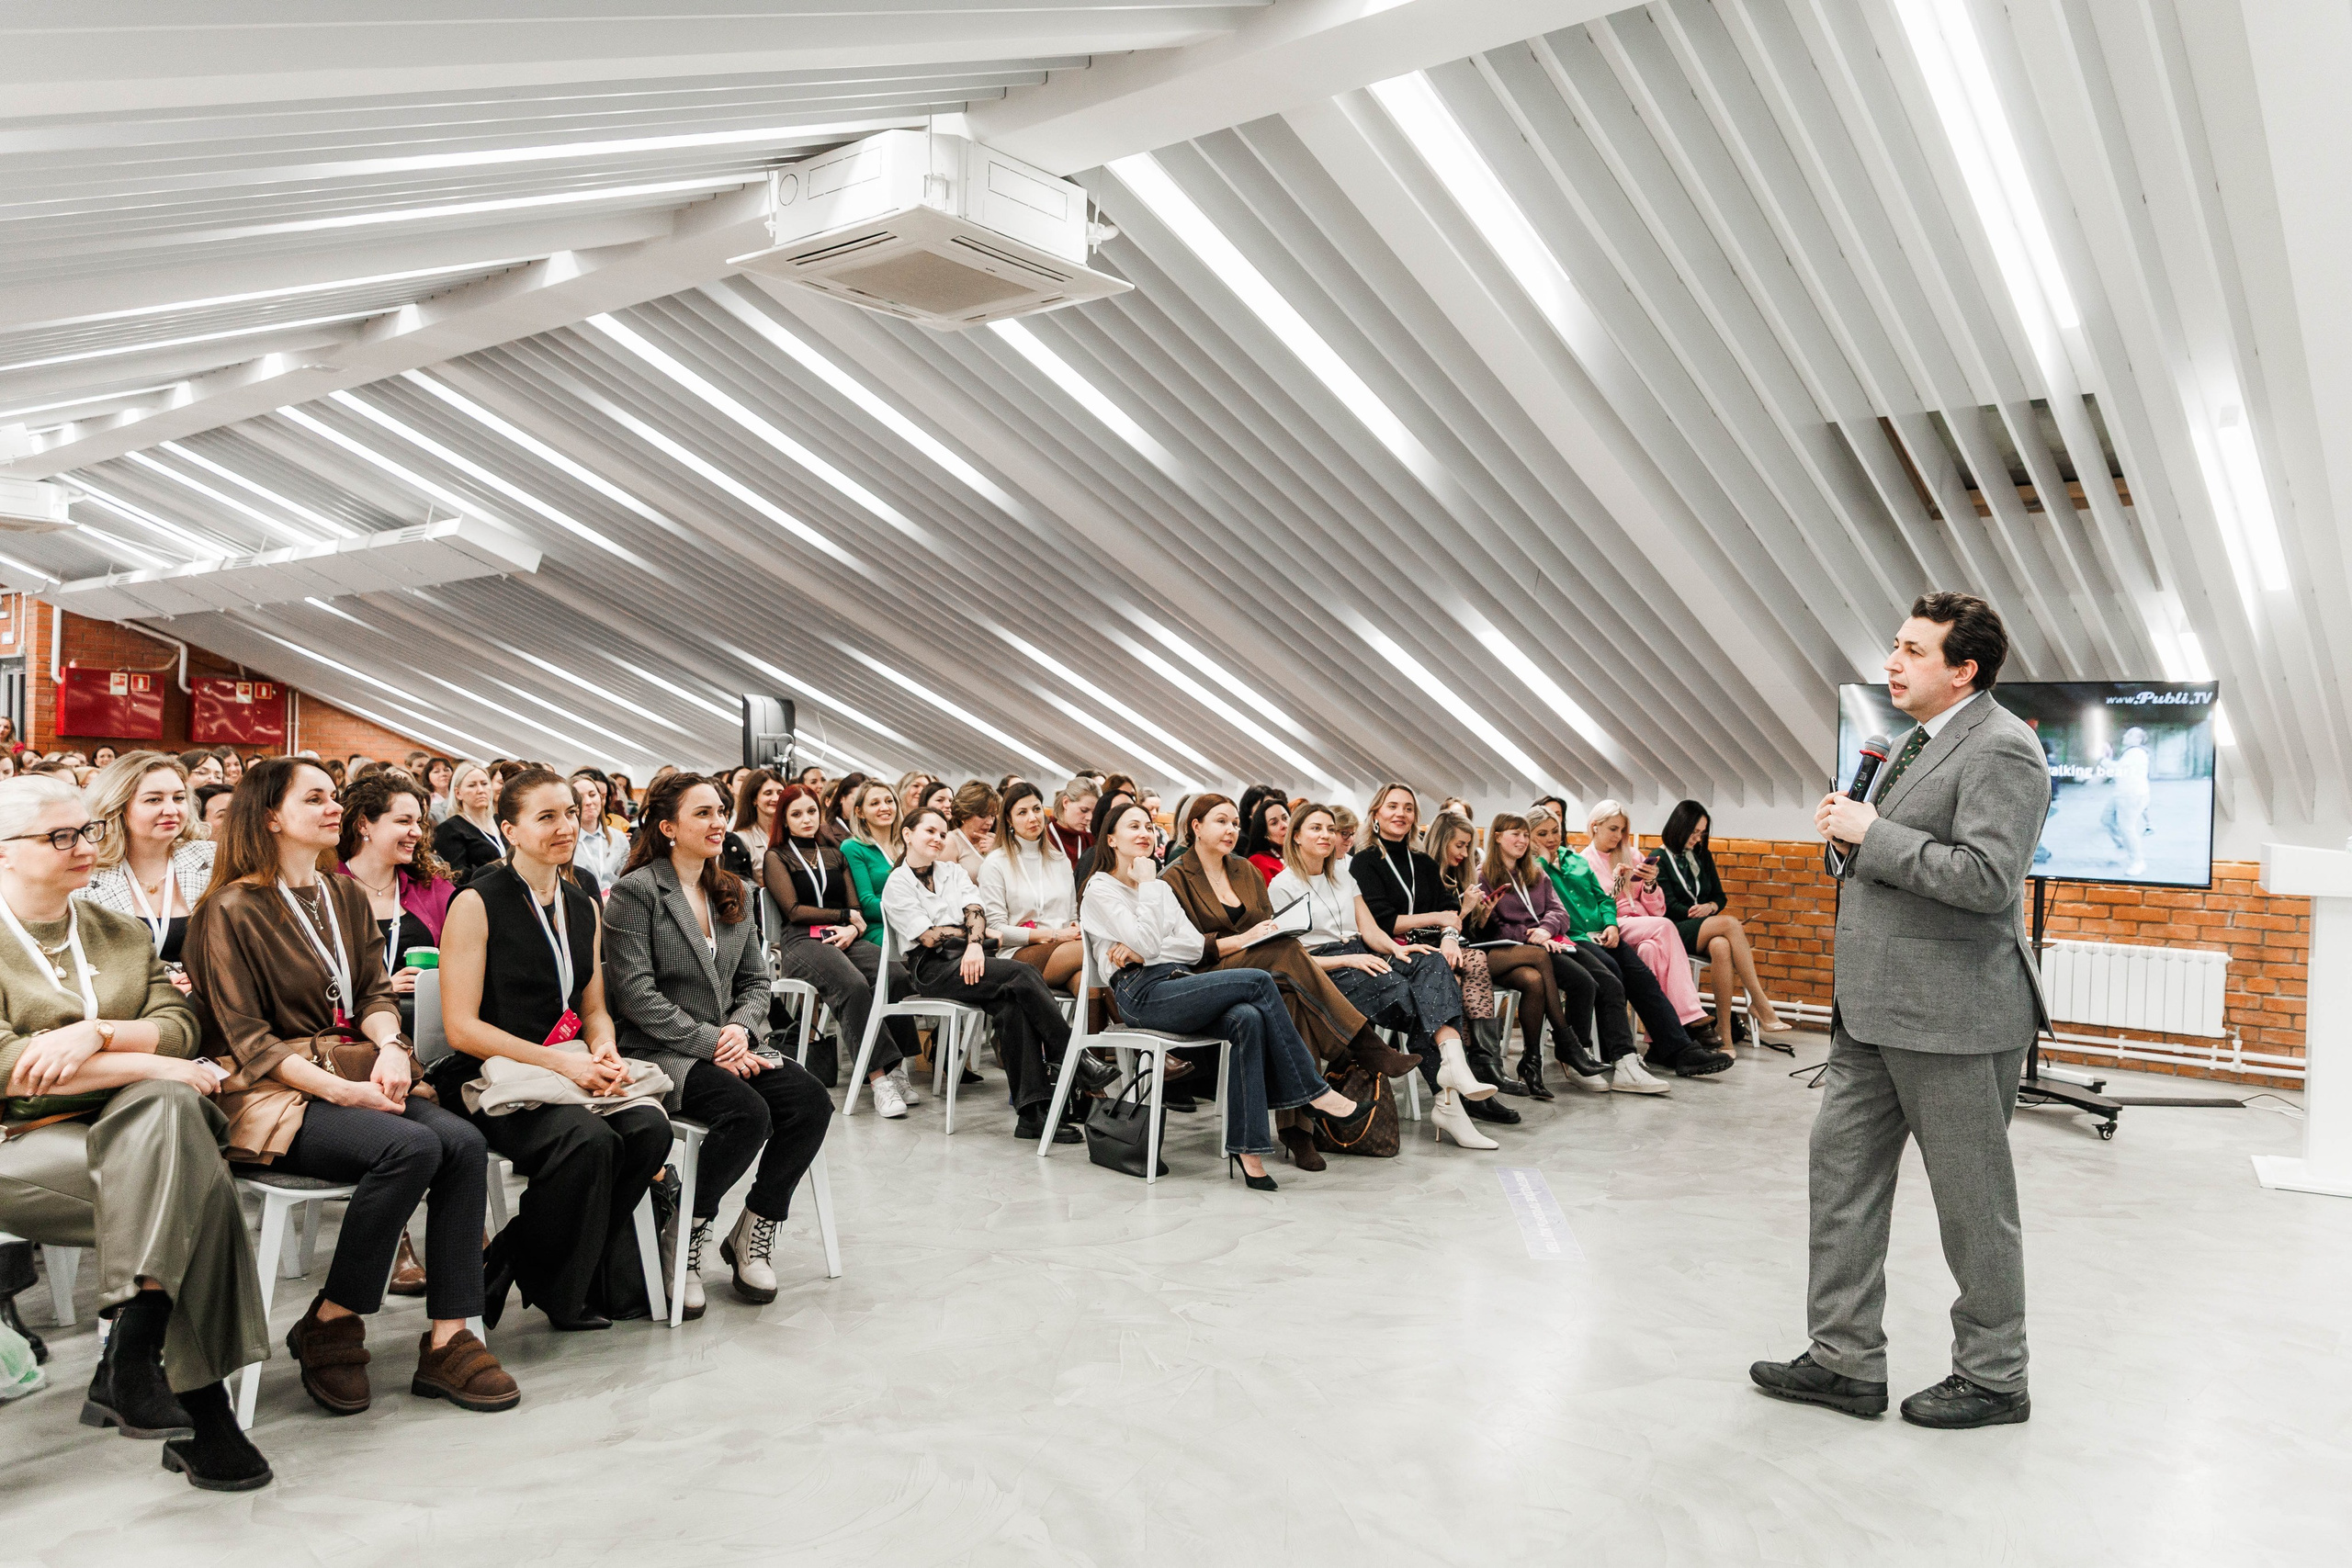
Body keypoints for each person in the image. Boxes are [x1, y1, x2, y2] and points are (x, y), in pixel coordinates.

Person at [1753, 592, 2049, 1430]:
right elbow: (1889, 857)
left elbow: (1987, 880)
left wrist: (1873, 832)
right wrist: (1852, 836)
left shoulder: (2004, 749)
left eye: (1914, 650)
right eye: (1895, 645)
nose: (1892, 661)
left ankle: (1995, 1377)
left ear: (1964, 669)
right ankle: (1845, 1359)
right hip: (1871, 1014)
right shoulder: (1913, 743)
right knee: (1840, 1180)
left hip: (1956, 1016)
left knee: (1971, 1205)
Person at [186, 757, 517, 1417]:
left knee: (462, 1142)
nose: (333, 806)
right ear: (271, 816)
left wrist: (392, 1048)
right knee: (410, 1148)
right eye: (315, 798)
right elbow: (249, 1041)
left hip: (350, 1065)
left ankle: (451, 1332)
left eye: (334, 796)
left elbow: (370, 991)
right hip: (269, 1091)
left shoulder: (340, 895)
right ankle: (333, 1319)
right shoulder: (227, 908)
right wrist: (346, 1092)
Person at [0, 775, 274, 1491]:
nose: (83, 846)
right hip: (18, 1138)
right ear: (3, 853)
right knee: (199, 1186)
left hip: (129, 1122)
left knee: (170, 1115)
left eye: (87, 830)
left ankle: (134, 1350)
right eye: (59, 836)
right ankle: (197, 1402)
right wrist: (157, 1063)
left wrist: (95, 1033)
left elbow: (182, 1025)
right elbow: (10, 1070)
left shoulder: (116, 929)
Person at [436, 769, 671, 1331]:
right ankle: (559, 1288)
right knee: (588, 1143)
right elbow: (461, 1028)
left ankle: (513, 1257)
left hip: (569, 1069)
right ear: (509, 830)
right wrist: (562, 1061)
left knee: (648, 1130)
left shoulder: (581, 901)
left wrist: (605, 1050)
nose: (565, 826)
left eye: (569, 812)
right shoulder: (476, 901)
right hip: (490, 1075)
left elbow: (591, 1008)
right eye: (546, 817)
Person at [605, 773, 833, 1316]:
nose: (718, 823)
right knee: (747, 1114)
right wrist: (715, 1043)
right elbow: (635, 995)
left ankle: (754, 1226)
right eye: (703, 813)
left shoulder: (735, 889)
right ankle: (683, 1235)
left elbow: (757, 981)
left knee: (810, 1102)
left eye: (720, 811)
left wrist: (740, 1031)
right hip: (662, 1049)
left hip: (731, 1041)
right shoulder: (637, 892)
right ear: (667, 828)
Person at [1081, 799, 1374, 1189]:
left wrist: (1148, 946)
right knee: (1258, 980)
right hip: (1139, 995)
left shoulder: (1160, 893)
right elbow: (1150, 943)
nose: (1144, 834)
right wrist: (1149, 897)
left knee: (1249, 1018)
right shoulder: (1102, 889)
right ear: (1112, 839)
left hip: (1177, 980)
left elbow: (1192, 947)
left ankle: (1248, 1149)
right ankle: (1314, 1091)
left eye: (1148, 827)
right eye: (1133, 827)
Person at [1161, 795, 1421, 1169]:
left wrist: (1260, 937)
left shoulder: (1245, 871)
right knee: (1285, 956)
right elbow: (1177, 947)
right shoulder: (1175, 876)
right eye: (1221, 821)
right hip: (1207, 975)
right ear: (1196, 827)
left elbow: (1272, 929)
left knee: (1289, 994)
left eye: (1235, 822)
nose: (1231, 829)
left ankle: (1298, 1130)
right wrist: (1242, 942)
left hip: (1259, 969)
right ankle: (1364, 1043)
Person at [1271, 804, 1496, 1150]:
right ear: (1296, 836)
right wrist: (1353, 957)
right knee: (1415, 999)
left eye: (1330, 829)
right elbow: (1293, 956)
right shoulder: (1281, 884)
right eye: (1315, 829)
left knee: (1432, 962)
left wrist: (1397, 951)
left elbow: (1370, 929)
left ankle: (1452, 1067)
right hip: (1323, 965)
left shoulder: (1344, 873)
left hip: (1365, 951)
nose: (1326, 836)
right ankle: (1450, 1099)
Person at [881, 806, 1103, 1142]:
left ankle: (1032, 1115)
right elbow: (927, 936)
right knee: (1023, 973)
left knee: (1012, 1005)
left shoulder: (952, 872)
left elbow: (975, 911)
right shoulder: (896, 884)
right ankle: (1072, 1056)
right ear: (908, 835)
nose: (938, 839)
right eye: (930, 831)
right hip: (932, 968)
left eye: (943, 833)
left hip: (972, 958)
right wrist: (972, 934)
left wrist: (973, 943)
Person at [334, 770, 458, 1295]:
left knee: (452, 1083)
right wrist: (381, 985)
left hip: (428, 1033)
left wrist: (434, 976)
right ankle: (401, 1237)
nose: (416, 832)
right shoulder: (325, 889)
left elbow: (467, 963)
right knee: (406, 1101)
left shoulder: (435, 891)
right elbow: (315, 979)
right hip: (348, 1036)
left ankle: (455, 1221)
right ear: (364, 824)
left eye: (420, 822)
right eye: (403, 821)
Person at [1517, 809, 1730, 1086]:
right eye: (1542, 834)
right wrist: (1543, 862)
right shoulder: (1530, 868)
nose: (1551, 839)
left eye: (1555, 831)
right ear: (1530, 838)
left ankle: (1679, 1049)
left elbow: (1604, 900)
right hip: (1572, 937)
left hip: (1602, 932)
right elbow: (1536, 900)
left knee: (1642, 976)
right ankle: (1620, 1057)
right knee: (1612, 976)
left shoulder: (1574, 861)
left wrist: (1611, 925)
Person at [1350, 784, 1519, 1128]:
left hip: (1433, 947)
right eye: (1392, 806)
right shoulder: (1364, 860)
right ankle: (1466, 1077)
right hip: (1389, 948)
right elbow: (1383, 921)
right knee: (1449, 975)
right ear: (1376, 813)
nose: (1400, 814)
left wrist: (1451, 936)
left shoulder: (1423, 861)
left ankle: (1478, 1067)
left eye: (1408, 808)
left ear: (1415, 817)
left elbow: (1449, 909)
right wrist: (1441, 921)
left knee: (1468, 962)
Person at [761, 784, 922, 1117]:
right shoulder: (776, 857)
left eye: (811, 811)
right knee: (852, 984)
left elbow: (853, 904)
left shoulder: (834, 854)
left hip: (844, 935)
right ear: (784, 820)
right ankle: (879, 1080)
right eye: (796, 814)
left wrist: (850, 925)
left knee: (894, 973)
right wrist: (846, 917)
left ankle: (898, 1070)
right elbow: (793, 910)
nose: (806, 819)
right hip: (802, 941)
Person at [1427, 811, 1570, 1099]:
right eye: (1459, 845)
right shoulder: (1435, 873)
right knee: (1540, 957)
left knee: (1533, 979)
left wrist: (1483, 914)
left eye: (1468, 845)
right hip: (1456, 951)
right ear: (1442, 843)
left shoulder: (1463, 873)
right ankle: (1564, 1042)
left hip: (1474, 948)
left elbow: (1475, 932)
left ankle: (1529, 1063)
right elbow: (1441, 925)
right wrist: (1468, 912)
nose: (1464, 852)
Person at [1653, 800, 1789, 1046]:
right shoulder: (1658, 857)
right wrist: (1700, 913)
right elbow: (1667, 907)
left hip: (1704, 927)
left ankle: (1725, 1037)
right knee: (1729, 924)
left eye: (1702, 833)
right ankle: (1759, 1003)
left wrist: (1711, 907)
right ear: (1679, 828)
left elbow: (1719, 896)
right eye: (1694, 832)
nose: (1698, 838)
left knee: (1721, 946)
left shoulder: (1702, 855)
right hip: (1673, 929)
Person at [1580, 801, 1713, 1046]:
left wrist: (1651, 884)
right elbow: (1592, 913)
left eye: (1622, 830)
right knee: (1665, 926)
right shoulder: (1583, 862)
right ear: (1594, 827)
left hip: (1643, 925)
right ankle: (1689, 1012)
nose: (1618, 836)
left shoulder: (1632, 855)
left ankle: (1658, 1039)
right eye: (1612, 829)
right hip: (1613, 926)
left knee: (1650, 950)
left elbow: (1657, 908)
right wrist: (1616, 884)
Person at [77, 751, 215, 990]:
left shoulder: (212, 860)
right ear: (118, 806)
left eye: (179, 798)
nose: (171, 810)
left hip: (207, 1003)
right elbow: (82, 966)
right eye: (154, 800)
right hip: (129, 1011)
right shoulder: (86, 875)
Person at [977, 780, 1081, 996]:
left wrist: (1073, 930)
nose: (1033, 818)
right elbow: (996, 929)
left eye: (1036, 809)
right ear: (1009, 819)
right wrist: (1053, 934)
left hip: (1064, 950)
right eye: (1022, 812)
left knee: (1086, 983)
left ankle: (1102, 1030)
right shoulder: (996, 862)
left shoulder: (1059, 860)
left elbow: (1072, 915)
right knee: (1095, 952)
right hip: (1017, 955)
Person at [838, 778, 899, 950]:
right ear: (860, 812)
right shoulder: (853, 847)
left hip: (914, 922)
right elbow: (867, 903)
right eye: (874, 803)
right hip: (878, 927)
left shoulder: (907, 845)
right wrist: (911, 911)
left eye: (889, 801)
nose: (885, 807)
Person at [432, 761, 503, 885]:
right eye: (472, 785)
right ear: (458, 793)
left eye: (484, 784)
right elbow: (459, 876)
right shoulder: (449, 829)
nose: (480, 790)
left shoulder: (501, 822)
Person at [942, 781, 998, 877]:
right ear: (965, 813)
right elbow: (948, 887)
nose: (990, 822)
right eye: (983, 815)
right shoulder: (951, 842)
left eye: (992, 815)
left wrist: (997, 852)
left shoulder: (994, 839)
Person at [1044, 776, 1096, 866]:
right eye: (1084, 810)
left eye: (1093, 812)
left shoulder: (1090, 841)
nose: (1089, 817)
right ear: (1066, 802)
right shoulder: (1044, 837)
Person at [1239, 795, 1290, 884]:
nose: (1284, 825)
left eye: (1285, 818)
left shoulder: (1303, 851)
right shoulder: (1258, 861)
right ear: (1265, 833)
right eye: (1274, 823)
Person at [424, 756, 456, 820]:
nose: (443, 774)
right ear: (428, 778)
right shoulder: (426, 800)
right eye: (436, 771)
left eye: (446, 770)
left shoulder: (460, 796)